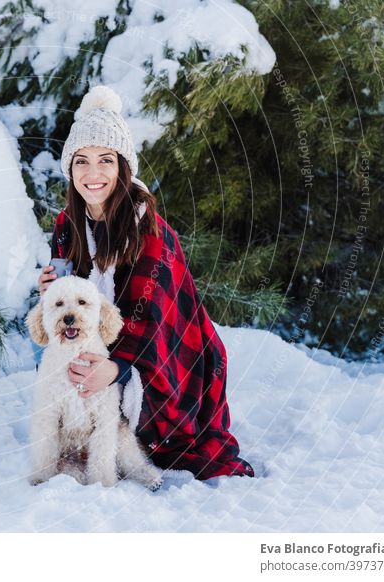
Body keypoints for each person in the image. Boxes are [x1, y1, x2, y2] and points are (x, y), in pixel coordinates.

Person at [37, 85, 254, 480]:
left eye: (106, 160)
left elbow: (156, 316)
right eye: (81, 162)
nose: (93, 173)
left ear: (122, 167)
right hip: (99, 340)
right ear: (70, 169)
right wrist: (51, 292)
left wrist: (116, 368)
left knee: (153, 439)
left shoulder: (149, 230)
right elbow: (72, 300)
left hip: (165, 354)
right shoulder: (67, 224)